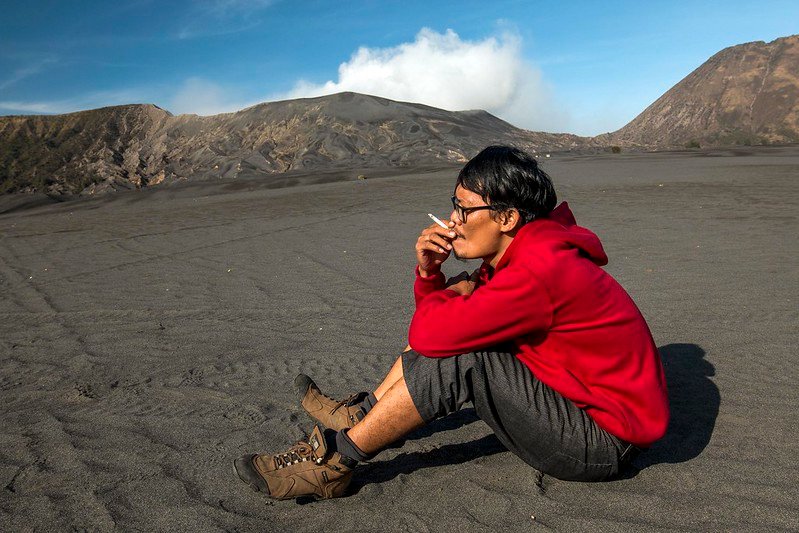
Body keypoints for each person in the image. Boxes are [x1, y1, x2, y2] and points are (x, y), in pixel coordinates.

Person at [234, 145, 670, 500]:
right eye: (453, 206)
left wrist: (434, 282)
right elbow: (432, 333)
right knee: (456, 334)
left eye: (463, 209)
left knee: (465, 357)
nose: (453, 221)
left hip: (600, 443)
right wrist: (433, 279)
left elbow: (429, 336)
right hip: (571, 402)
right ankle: (360, 414)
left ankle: (335, 463)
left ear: (507, 218)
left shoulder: (538, 271)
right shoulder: (522, 254)